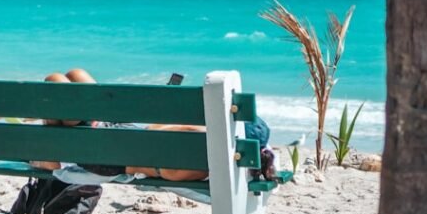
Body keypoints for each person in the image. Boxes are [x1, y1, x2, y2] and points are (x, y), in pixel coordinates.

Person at [31, 69, 276, 182]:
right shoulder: (205, 159)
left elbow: (163, 132)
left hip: (107, 146)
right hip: (110, 145)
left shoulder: (200, 142)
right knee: (70, 78)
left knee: (61, 80)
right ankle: (47, 145)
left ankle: (45, 145)